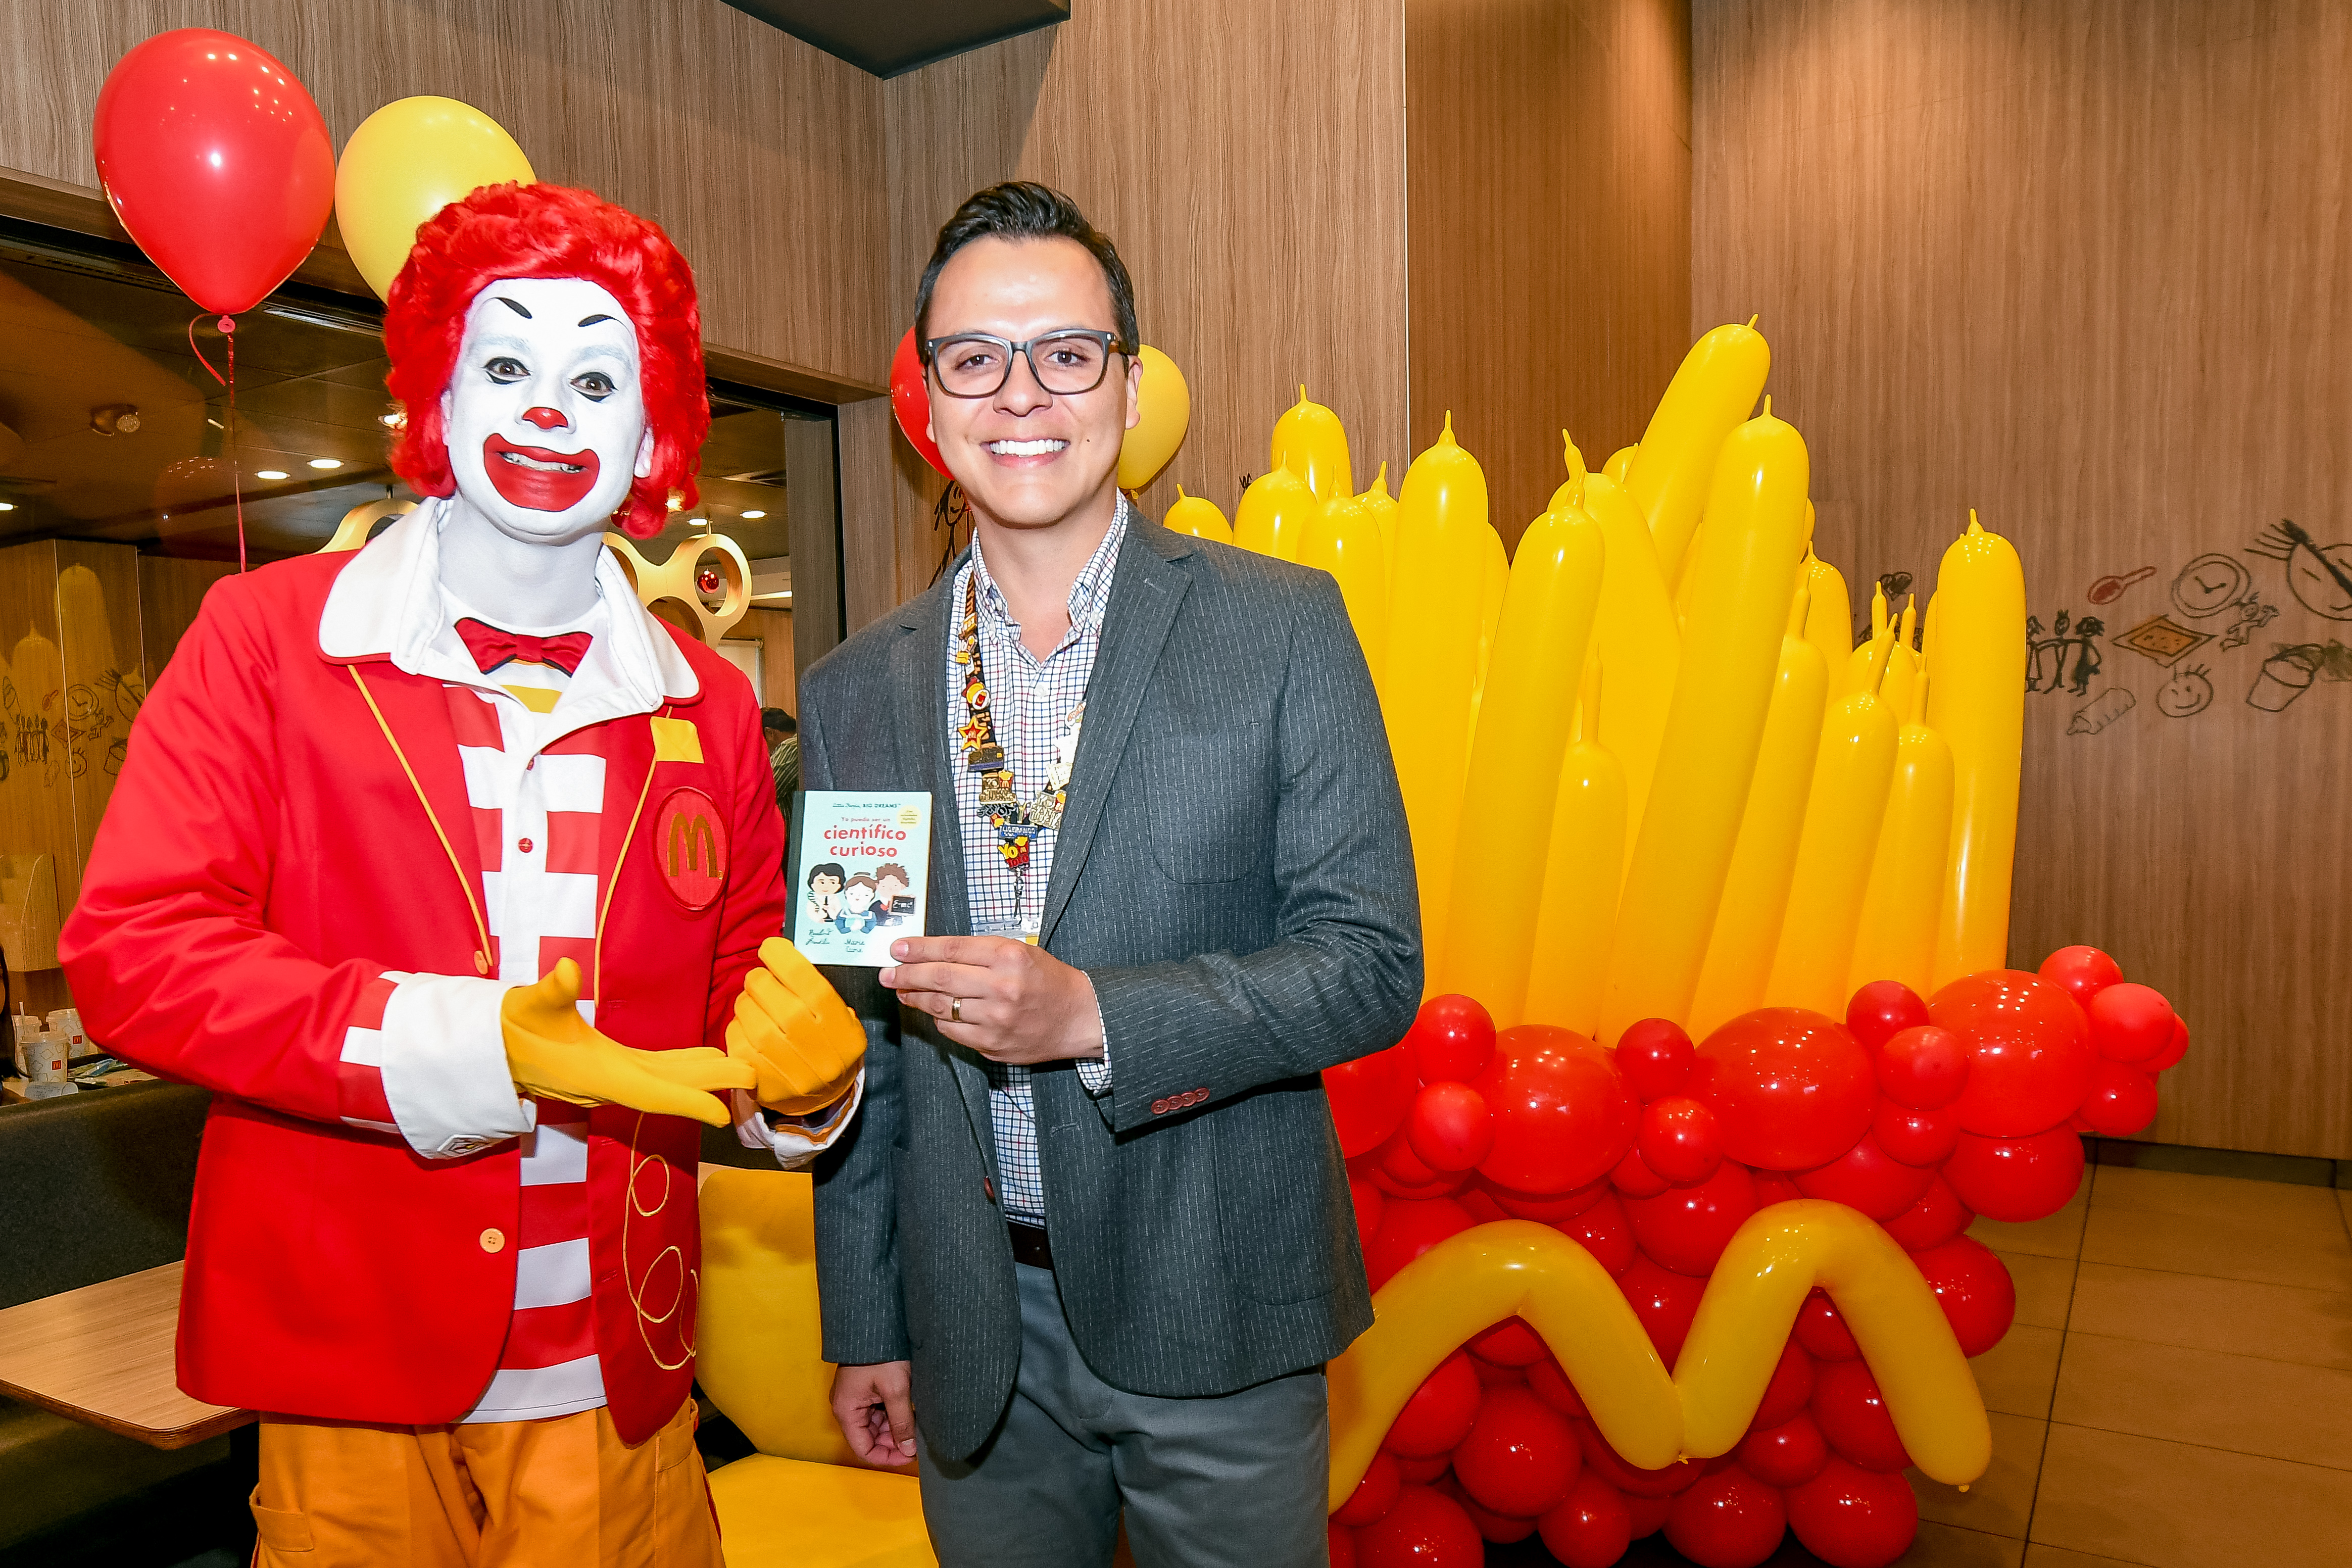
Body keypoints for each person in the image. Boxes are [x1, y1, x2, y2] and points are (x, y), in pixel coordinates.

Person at [57, 183, 867, 1568]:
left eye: (596, 377)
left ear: (653, 427)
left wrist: (810, 1088)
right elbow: (136, 950)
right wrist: (468, 1045)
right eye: (505, 365)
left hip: (618, 1378)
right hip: (352, 1372)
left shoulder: (712, 709)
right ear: (438, 389)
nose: (549, 413)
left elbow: (735, 1008)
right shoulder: (266, 640)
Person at [802, 181, 1419, 1568]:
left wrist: (1093, 1018)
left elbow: (1372, 965)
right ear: (930, 398)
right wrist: (868, 1321)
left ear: (1128, 389)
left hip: (1221, 1304)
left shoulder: (1280, 628)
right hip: (973, 1338)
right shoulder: (857, 694)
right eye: (976, 358)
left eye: (1066, 353)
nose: (1022, 395)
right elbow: (861, 1052)